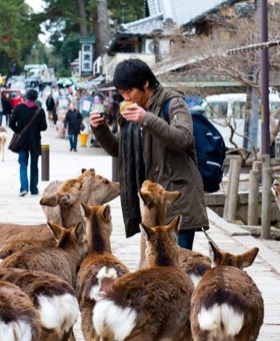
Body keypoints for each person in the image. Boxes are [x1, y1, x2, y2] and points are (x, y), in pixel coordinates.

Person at [89, 58, 208, 249]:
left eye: (129, 91)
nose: (126, 97)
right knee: (155, 268)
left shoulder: (173, 103)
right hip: (149, 202)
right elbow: (119, 149)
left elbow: (183, 138)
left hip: (176, 201)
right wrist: (100, 129)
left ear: (145, 84)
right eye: (122, 93)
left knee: (178, 267)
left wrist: (147, 119)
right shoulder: (130, 111)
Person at [9, 89, 47, 196]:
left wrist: (18, 131)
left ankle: (24, 188)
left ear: (26, 97)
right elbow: (44, 127)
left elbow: (11, 123)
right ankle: (34, 189)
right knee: (34, 165)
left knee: (23, 164)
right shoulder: (40, 110)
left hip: (22, 141)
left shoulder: (19, 108)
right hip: (35, 141)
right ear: (36, 98)